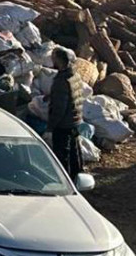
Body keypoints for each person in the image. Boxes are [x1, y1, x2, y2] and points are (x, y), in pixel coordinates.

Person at [48, 47, 85, 176]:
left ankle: (66, 178)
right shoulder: (74, 74)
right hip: (75, 119)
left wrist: (50, 127)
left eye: (53, 57)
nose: (51, 60)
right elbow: (73, 95)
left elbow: (59, 108)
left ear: (58, 59)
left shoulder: (61, 81)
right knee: (74, 152)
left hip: (63, 124)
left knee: (62, 154)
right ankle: (77, 175)